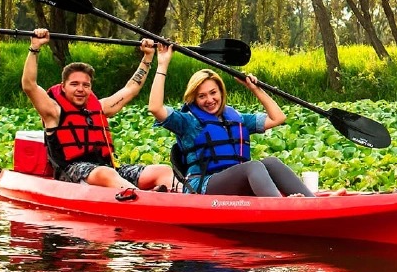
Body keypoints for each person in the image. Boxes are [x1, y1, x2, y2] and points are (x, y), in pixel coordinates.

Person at [148, 43, 317, 197]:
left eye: (213, 93)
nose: (209, 99)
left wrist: (255, 88)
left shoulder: (237, 118)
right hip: (202, 186)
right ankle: (281, 207)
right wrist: (162, 64)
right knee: (253, 166)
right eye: (202, 96)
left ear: (221, 92)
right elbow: (155, 108)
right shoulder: (187, 122)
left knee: (271, 162)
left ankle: (311, 202)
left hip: (235, 181)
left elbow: (278, 118)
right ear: (194, 99)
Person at [22, 29, 173, 191]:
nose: (81, 89)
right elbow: (29, 85)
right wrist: (35, 47)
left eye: (85, 85)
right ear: (63, 87)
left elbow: (131, 89)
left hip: (108, 170)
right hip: (72, 174)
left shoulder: (100, 108)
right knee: (105, 173)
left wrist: (148, 56)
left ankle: (181, 203)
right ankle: (146, 200)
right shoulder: (53, 112)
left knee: (162, 170)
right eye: (74, 84)